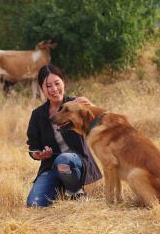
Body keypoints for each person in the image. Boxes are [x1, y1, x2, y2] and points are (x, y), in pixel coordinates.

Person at [25, 64, 102, 207]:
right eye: (48, 86)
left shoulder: (76, 105)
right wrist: (39, 155)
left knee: (64, 159)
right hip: (50, 167)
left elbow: (100, 125)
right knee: (34, 204)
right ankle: (61, 188)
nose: (54, 89)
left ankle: (74, 191)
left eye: (57, 83)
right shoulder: (38, 115)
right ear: (42, 89)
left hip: (77, 163)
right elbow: (33, 146)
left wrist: (92, 106)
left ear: (63, 82)